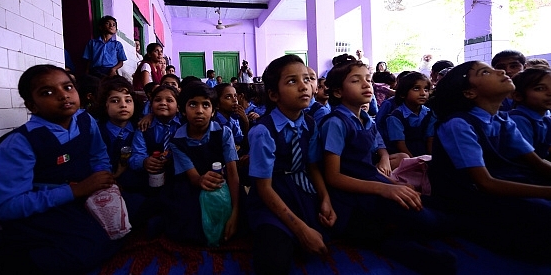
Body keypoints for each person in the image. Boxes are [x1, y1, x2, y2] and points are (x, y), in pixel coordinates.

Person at [0, 65, 128, 274]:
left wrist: (103, 179)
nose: (63, 96)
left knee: (130, 216)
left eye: (68, 87)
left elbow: (97, 154)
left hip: (81, 195)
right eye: (48, 92)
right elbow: (7, 207)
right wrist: (75, 191)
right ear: (32, 106)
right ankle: (9, 258)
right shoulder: (20, 143)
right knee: (91, 247)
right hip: (45, 207)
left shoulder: (84, 119)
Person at [321, 60, 455, 275]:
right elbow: (333, 176)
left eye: (367, 79)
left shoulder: (365, 119)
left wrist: (391, 182)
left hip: (372, 186)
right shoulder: (335, 123)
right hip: (350, 200)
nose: (366, 85)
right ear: (337, 92)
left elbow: (371, 159)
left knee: (426, 204)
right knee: (425, 221)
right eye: (356, 80)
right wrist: (385, 188)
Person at [429, 61, 551, 260]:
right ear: (469, 92)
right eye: (486, 72)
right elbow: (485, 183)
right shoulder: (458, 123)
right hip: (467, 196)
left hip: (500, 181)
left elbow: (537, 163)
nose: (501, 71)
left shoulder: (502, 120)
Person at [247, 55, 336, 275]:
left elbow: (312, 165)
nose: (303, 86)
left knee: (340, 230)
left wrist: (325, 199)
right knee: (274, 259)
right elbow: (264, 188)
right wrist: (301, 229)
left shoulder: (310, 123)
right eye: (292, 81)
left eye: (306, 79)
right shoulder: (262, 132)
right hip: (272, 196)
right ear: (273, 95)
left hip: (302, 189)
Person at [166, 82, 240, 244]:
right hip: (192, 185)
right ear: (183, 110)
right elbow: (193, 177)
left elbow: (233, 174)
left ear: (213, 111)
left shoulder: (223, 133)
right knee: (188, 222)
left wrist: (235, 212)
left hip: (222, 182)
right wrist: (201, 180)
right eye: (192, 104)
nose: (199, 111)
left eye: (206, 105)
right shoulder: (177, 141)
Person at [95, 76, 144, 191]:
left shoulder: (141, 127)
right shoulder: (97, 131)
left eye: (128, 100)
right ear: (104, 105)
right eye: (115, 101)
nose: (123, 105)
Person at [129, 85, 182, 191]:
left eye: (169, 100)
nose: (163, 103)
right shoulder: (144, 127)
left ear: (178, 108)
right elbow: (136, 154)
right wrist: (144, 162)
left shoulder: (185, 124)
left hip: (180, 178)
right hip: (152, 180)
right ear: (151, 106)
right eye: (157, 100)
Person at [386, 72, 436, 157]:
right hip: (404, 157)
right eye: (416, 88)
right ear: (403, 94)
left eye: (426, 89)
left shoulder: (430, 114)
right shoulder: (395, 117)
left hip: (425, 156)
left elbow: (430, 139)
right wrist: (414, 161)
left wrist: (431, 159)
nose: (423, 93)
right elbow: (400, 144)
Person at [509, 67, 551, 160]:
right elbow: (527, 159)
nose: (550, 92)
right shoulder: (518, 120)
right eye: (540, 88)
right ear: (518, 96)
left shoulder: (545, 117)